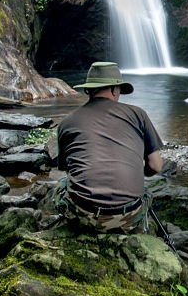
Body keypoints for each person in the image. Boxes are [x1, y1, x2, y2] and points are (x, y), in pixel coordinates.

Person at [56, 61, 164, 234]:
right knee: (144, 194)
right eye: (119, 90)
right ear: (114, 90)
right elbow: (156, 166)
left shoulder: (67, 122)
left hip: (85, 216)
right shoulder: (138, 115)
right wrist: (134, 171)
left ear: (89, 89)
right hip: (128, 217)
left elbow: (68, 170)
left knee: (61, 185)